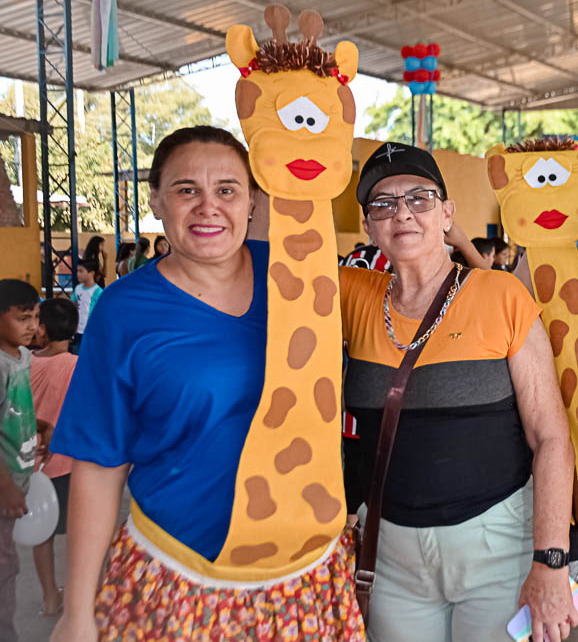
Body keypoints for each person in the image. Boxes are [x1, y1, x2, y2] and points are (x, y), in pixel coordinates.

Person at [48, 126, 364, 641]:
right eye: (186, 189)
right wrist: (76, 610)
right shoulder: (125, 310)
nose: (207, 207)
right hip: (177, 577)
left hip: (306, 583)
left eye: (226, 190)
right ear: (156, 201)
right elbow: (100, 463)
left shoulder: (305, 283)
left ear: (253, 201)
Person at [343, 141, 577, 642]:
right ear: (368, 225)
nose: (402, 212)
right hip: (391, 554)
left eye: (420, 198)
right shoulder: (350, 295)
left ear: (447, 213)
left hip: (499, 548)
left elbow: (551, 438)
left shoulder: (501, 296)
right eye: (382, 203)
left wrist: (551, 562)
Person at [28, 298, 78, 617]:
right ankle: (75, 596)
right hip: (67, 463)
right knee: (77, 531)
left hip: (31, 464)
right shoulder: (75, 365)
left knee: (41, 534)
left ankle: (49, 597)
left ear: (42, 330)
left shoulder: (25, 361)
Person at [0, 279, 41, 642]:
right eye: (22, 318)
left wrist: (41, 425)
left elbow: (14, 408)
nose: (32, 325)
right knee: (4, 566)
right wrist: (8, 487)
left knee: (8, 562)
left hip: (17, 478)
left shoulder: (22, 357)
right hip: (3, 486)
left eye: (35, 317)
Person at [70, 260, 103, 354]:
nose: (78, 274)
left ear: (91, 273)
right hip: (78, 331)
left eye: (81, 271)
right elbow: (73, 307)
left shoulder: (98, 291)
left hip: (92, 331)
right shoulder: (77, 289)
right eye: (77, 271)